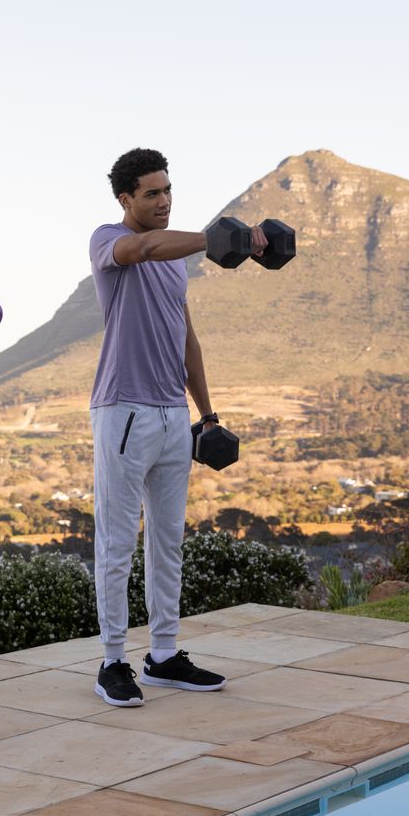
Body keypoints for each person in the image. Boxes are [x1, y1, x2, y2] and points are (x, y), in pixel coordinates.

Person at [89, 148, 268, 707]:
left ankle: (163, 655)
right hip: (124, 411)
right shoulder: (108, 240)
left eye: (168, 190)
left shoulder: (174, 263)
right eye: (151, 193)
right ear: (126, 199)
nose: (163, 201)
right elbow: (141, 247)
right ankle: (112, 662)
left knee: (169, 542)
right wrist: (217, 238)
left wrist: (207, 414)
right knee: (118, 545)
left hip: (173, 416)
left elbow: (187, 339)